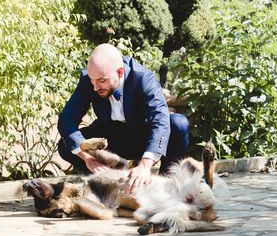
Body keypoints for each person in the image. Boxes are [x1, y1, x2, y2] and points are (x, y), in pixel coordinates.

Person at [57, 43, 189, 192]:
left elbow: (159, 118)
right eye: (93, 81)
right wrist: (88, 159)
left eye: (102, 81)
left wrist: (145, 164)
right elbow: (67, 120)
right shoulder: (91, 80)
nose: (95, 87)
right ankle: (102, 179)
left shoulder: (144, 78)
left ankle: (166, 184)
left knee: (178, 124)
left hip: (142, 138)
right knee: (66, 145)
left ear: (120, 72)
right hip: (110, 138)